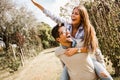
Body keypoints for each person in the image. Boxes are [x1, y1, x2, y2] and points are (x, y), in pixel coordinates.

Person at [31, 0, 113, 80]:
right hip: (71, 62)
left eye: (76, 14)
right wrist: (36, 4)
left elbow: (94, 49)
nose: (73, 15)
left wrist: (77, 50)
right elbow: (51, 15)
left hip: (86, 59)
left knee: (106, 76)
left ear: (82, 17)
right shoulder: (66, 25)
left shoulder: (87, 29)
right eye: (72, 13)